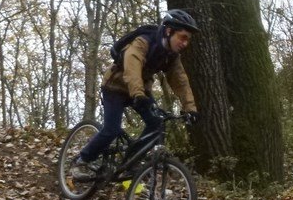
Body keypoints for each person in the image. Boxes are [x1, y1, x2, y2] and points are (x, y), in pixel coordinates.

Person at [70, 9, 200, 181]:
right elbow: (132, 66)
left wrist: (190, 108)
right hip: (115, 87)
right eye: (183, 37)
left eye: (188, 40)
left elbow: (180, 81)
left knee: (156, 123)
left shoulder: (171, 56)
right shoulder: (144, 41)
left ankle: (130, 161)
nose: (185, 43)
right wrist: (138, 94)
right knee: (111, 130)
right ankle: (82, 160)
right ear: (169, 31)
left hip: (139, 91)